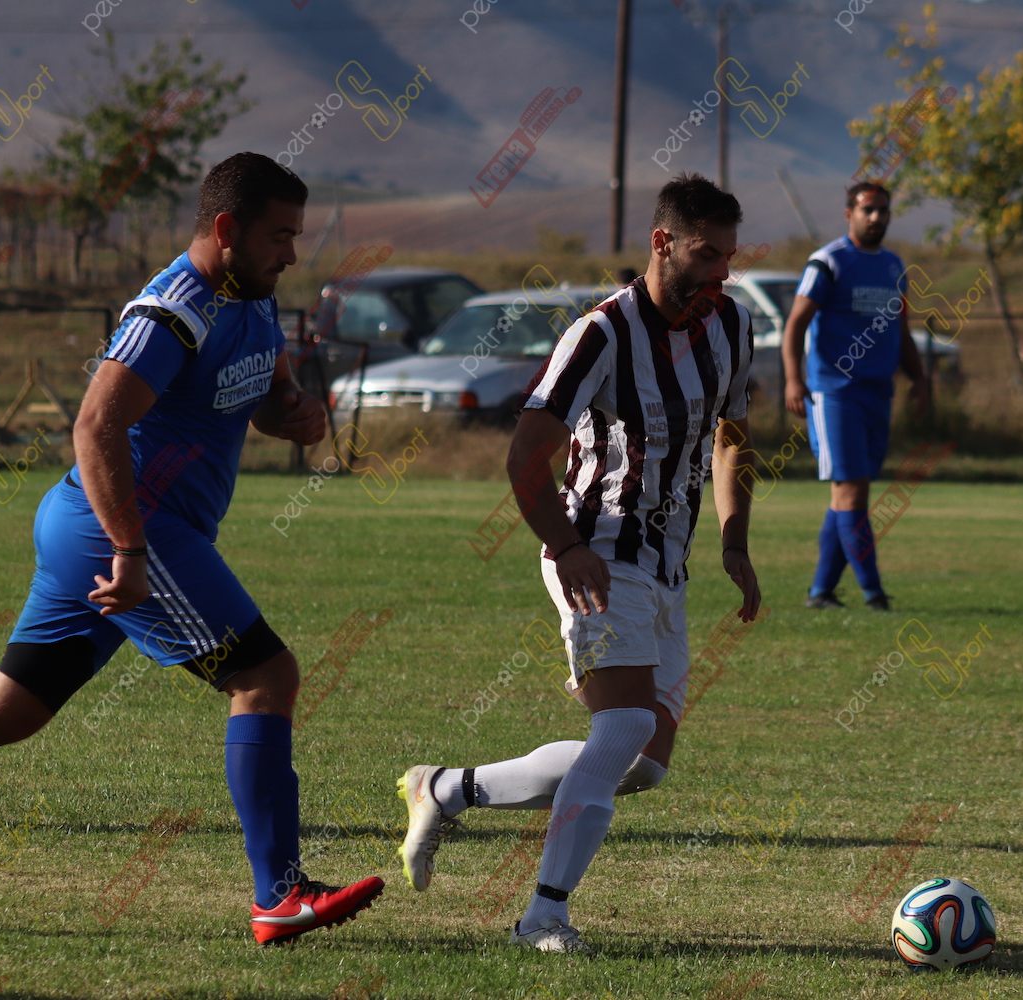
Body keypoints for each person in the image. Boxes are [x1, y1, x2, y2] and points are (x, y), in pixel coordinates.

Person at [0, 153, 384, 946]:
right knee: (265, 677)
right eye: (280, 235)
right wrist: (130, 549)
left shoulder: (254, 296)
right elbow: (95, 425)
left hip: (100, 527)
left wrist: (295, 413)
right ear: (226, 229)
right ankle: (279, 896)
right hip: (126, 528)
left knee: (8, 709)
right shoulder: (174, 312)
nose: (293, 253)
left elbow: (265, 394)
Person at [395, 173, 762, 953]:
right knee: (623, 724)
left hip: (667, 567)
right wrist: (566, 547)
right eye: (708, 254)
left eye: (730, 257)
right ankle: (543, 915)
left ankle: (446, 788)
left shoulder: (731, 324)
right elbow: (526, 455)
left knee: (643, 764)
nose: (722, 273)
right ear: (663, 243)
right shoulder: (601, 334)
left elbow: (732, 435)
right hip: (596, 551)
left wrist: (734, 540)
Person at [781, 182, 930, 611]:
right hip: (834, 394)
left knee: (849, 495)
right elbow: (795, 325)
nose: (877, 217)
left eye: (883, 210)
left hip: (877, 393)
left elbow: (901, 331)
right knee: (851, 493)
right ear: (850, 213)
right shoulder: (827, 261)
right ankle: (874, 595)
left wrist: (919, 379)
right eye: (868, 210)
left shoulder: (893, 265)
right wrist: (794, 380)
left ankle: (820, 593)